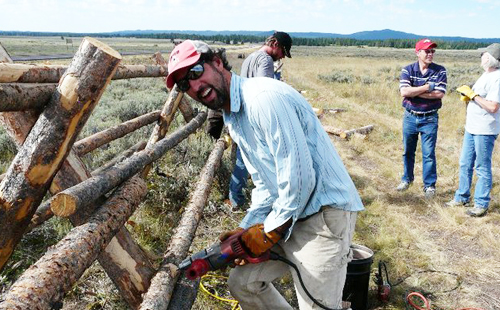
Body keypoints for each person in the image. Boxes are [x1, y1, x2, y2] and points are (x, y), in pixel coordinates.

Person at [166, 40, 364, 309]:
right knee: (242, 283)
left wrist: (268, 232)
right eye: (183, 84)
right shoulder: (234, 116)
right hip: (288, 215)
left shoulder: (262, 99)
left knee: (316, 306)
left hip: (322, 217)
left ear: (217, 62)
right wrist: (248, 228)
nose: (193, 86)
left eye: (195, 71)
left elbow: (300, 179)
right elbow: (264, 183)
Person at [207, 31, 293, 209]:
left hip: (244, 114)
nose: (283, 56)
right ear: (275, 44)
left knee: (244, 157)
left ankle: (236, 198)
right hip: (255, 117)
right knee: (257, 159)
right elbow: (265, 90)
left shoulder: (250, 57)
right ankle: (255, 201)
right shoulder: (265, 60)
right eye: (283, 50)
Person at [445, 43, 500, 217]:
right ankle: (462, 196)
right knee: (465, 163)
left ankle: (481, 204)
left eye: (483, 54)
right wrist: (468, 97)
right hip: (473, 127)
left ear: (490, 58)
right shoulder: (486, 74)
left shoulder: (497, 78)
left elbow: (493, 107)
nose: (481, 56)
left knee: (482, 166)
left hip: (485, 130)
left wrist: (473, 96)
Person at [396, 38, 447, 198]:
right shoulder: (407, 70)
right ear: (418, 53)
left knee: (428, 153)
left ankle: (429, 185)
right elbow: (404, 92)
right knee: (407, 151)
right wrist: (426, 87)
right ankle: (407, 179)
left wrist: (415, 91)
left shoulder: (440, 71)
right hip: (410, 117)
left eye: (432, 51)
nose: (430, 54)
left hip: (429, 118)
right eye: (427, 51)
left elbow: (439, 94)